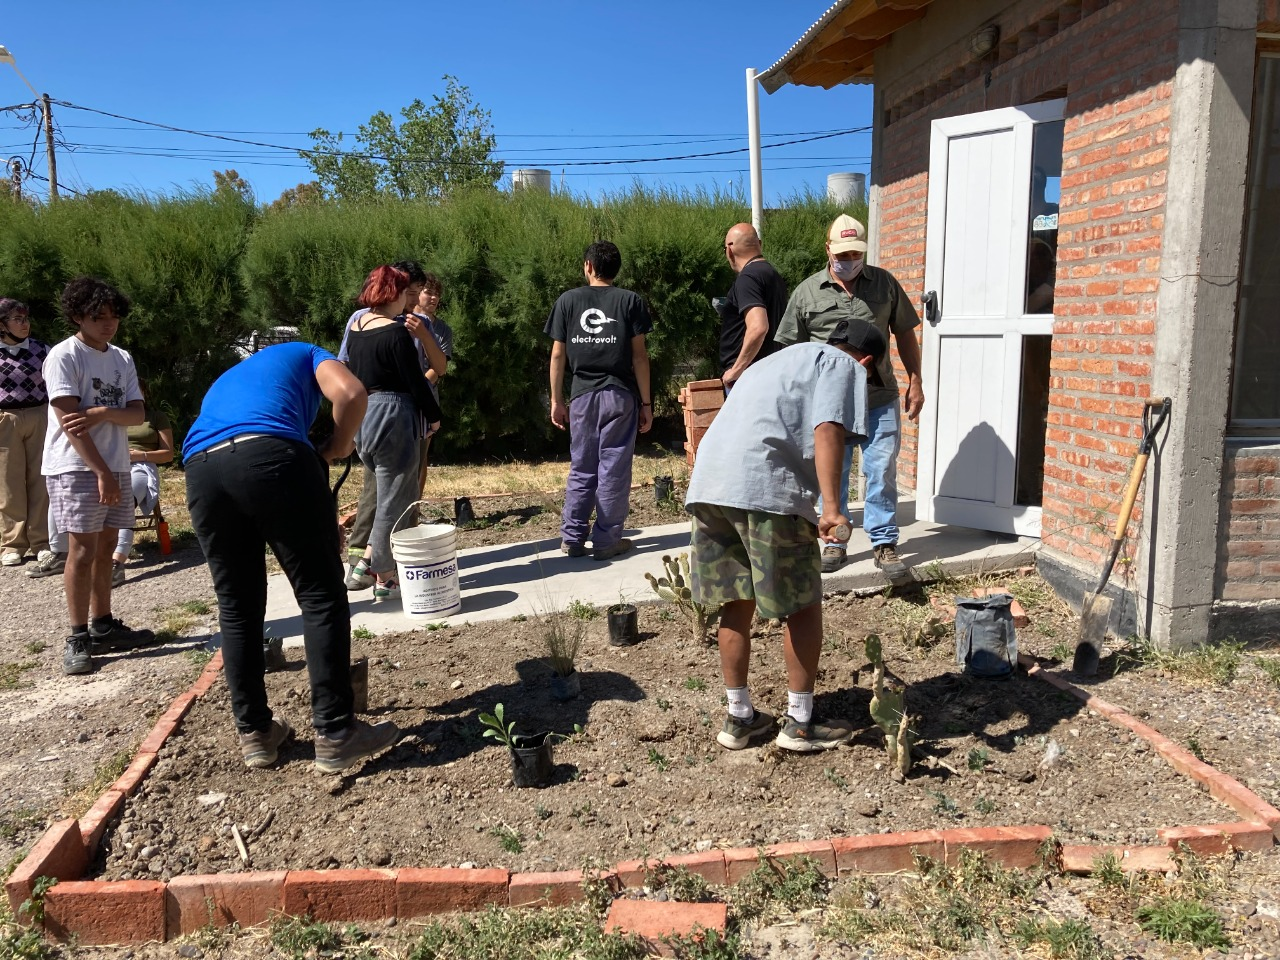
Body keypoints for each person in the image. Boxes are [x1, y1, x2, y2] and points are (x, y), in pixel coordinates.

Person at [183, 341, 400, 773]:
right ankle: (337, 732)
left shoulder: (231, 377)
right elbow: (352, 394)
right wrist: (336, 446)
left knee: (238, 607)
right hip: (270, 453)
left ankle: (257, 733)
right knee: (320, 595)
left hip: (201, 469)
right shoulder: (309, 352)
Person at [686, 319, 886, 752]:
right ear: (866, 361)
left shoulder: (774, 362)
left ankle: (740, 719)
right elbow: (829, 426)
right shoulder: (842, 365)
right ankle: (799, 724)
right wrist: (831, 507)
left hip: (710, 486)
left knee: (737, 601)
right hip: (765, 489)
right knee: (802, 604)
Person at [776, 214, 924, 580]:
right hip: (829, 404)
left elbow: (905, 333)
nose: (848, 259)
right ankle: (835, 541)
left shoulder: (885, 284)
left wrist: (916, 380)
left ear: (864, 250)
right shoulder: (808, 292)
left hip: (879, 396)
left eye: (855, 252)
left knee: (881, 470)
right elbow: (789, 351)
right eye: (841, 252)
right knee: (833, 473)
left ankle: (884, 541)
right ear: (828, 249)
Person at [41, 278, 154, 676]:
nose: (109, 324)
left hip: (117, 463)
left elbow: (137, 414)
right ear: (77, 317)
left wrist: (104, 413)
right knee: (82, 550)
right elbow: (71, 423)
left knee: (107, 545)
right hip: (76, 467)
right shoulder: (64, 356)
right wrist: (101, 472)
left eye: (114, 316)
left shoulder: (121, 358)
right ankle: (76, 636)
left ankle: (103, 623)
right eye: (98, 317)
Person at [337, 261, 446, 590]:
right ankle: (379, 572)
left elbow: (347, 370)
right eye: (408, 293)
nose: (410, 300)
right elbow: (414, 381)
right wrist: (433, 415)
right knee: (395, 497)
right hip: (394, 416)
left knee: (386, 495)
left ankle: (369, 565)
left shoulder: (358, 327)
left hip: (364, 416)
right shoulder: (397, 332)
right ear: (395, 293)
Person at [545, 240, 653, 561]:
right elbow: (640, 357)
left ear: (588, 266)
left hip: (581, 397)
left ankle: (572, 538)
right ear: (614, 269)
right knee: (614, 468)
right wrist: (646, 404)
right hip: (620, 396)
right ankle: (606, 541)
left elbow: (557, 355)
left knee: (582, 467)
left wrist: (556, 399)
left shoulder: (567, 301)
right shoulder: (630, 301)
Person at [0, 298, 54, 572]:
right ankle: (12, 544)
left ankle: (41, 541)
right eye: (17, 319)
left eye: (26, 319)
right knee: (9, 483)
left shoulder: (42, 349)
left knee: (40, 479)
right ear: (2, 325)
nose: (25, 324)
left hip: (38, 414)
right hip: (4, 419)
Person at [109, 398, 174, 586]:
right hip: (111, 466)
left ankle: (116, 563)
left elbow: (168, 454)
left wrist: (141, 455)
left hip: (141, 465)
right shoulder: (110, 416)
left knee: (124, 501)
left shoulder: (155, 417)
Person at [716, 223, 787, 392]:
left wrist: (736, 371)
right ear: (759, 244)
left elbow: (758, 327)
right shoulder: (772, 275)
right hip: (770, 374)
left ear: (729, 250)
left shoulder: (748, 278)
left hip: (748, 380)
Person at [412, 273, 454, 495]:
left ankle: (415, 508)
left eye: (437, 294)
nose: (434, 297)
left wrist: (416, 390)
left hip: (426, 396)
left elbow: (439, 369)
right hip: (398, 397)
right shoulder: (402, 321)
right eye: (428, 292)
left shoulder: (443, 330)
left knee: (421, 455)